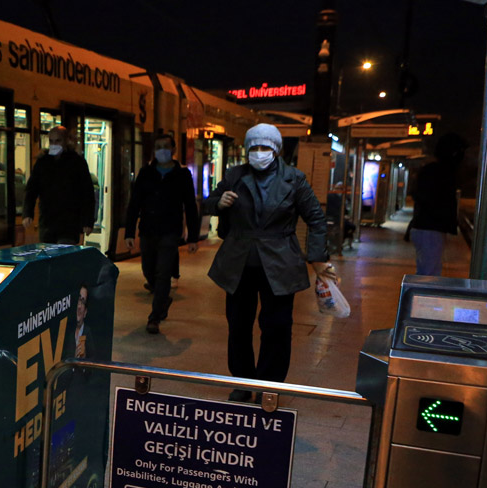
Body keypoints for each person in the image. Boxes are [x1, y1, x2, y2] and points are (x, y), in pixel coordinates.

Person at [204, 123, 337, 402]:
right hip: (239, 262)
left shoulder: (294, 179)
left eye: (265, 147)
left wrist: (317, 258)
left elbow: (315, 218)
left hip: (280, 262)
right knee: (238, 325)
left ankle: (270, 384)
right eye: (254, 147)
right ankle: (242, 381)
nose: (259, 152)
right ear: (247, 150)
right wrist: (219, 202)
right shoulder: (234, 175)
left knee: (277, 327)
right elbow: (206, 203)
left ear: (275, 150)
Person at [124, 133, 200, 334]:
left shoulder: (182, 175)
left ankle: (154, 317)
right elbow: (134, 204)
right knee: (149, 271)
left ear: (173, 150)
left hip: (170, 232)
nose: (161, 150)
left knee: (163, 273)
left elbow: (190, 206)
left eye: (165, 146)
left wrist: (193, 236)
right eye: (158, 146)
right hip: (148, 230)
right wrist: (129, 232)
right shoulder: (145, 173)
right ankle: (163, 298)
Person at [22, 126, 95, 244]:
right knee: (49, 255)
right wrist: (27, 213)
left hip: (69, 223)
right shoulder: (43, 162)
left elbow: (87, 192)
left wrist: (87, 221)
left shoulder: (77, 162)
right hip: (47, 222)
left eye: (58, 141)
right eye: (51, 141)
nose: (54, 144)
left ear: (66, 141)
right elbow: (31, 189)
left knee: (63, 254)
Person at [408, 133, 467, 276]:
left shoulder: (433, 170)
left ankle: (423, 296)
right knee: (429, 272)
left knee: (428, 269)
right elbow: (428, 197)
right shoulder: (441, 172)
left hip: (427, 227)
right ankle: (422, 297)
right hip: (430, 228)